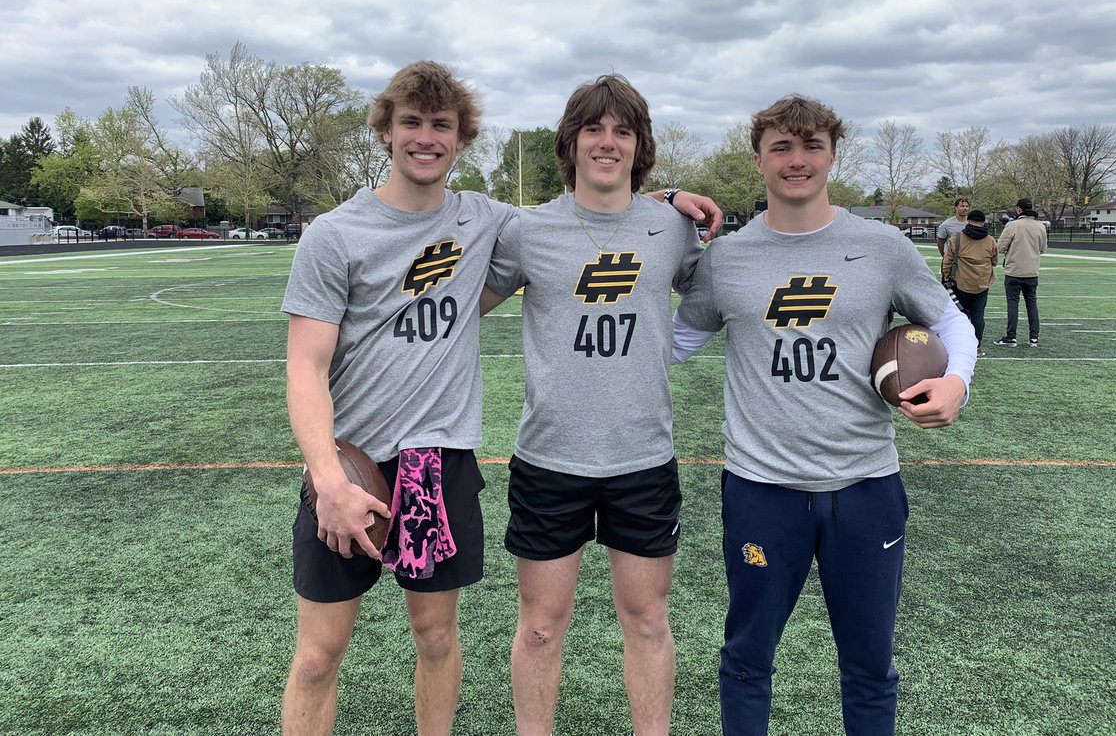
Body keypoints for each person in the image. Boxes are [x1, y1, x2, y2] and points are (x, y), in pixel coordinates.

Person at [671, 93, 977, 736]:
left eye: (811, 145)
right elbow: (671, 343)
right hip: (761, 489)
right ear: (758, 160)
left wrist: (957, 382)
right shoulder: (726, 258)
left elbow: (948, 317)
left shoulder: (882, 246)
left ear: (833, 155)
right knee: (747, 659)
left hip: (865, 486)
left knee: (869, 666)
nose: (797, 159)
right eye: (781, 146)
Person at [279, 61, 518, 736]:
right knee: (321, 654)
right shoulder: (335, 234)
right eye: (411, 121)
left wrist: (667, 195)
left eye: (441, 124)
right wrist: (326, 478)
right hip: (348, 466)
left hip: (437, 462)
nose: (426, 136)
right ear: (386, 129)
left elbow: (586, 212)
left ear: (462, 138)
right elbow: (305, 367)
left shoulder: (483, 218)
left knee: (437, 640)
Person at [482, 74, 708, 736]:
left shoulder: (673, 227)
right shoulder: (529, 232)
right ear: (570, 142)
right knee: (543, 628)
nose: (607, 142)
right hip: (550, 458)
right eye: (594, 129)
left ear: (639, 147)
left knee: (645, 620)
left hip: (643, 457)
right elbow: (462, 307)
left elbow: (721, 299)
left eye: (623, 131)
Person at [940, 208, 998, 354]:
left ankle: (959, 344)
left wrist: (947, 276)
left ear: (969, 221)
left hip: (960, 282)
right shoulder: (990, 240)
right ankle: (977, 346)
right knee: (978, 315)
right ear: (983, 222)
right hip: (982, 283)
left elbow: (947, 262)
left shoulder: (957, 238)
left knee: (959, 316)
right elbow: (995, 261)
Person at [993, 197, 1048, 348]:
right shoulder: (1040, 226)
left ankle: (1011, 336)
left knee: (1013, 304)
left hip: (1014, 271)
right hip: (1032, 270)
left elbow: (1000, 247)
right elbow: (1043, 249)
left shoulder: (1013, 226)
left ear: (1019, 209)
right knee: (1032, 304)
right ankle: (1034, 338)